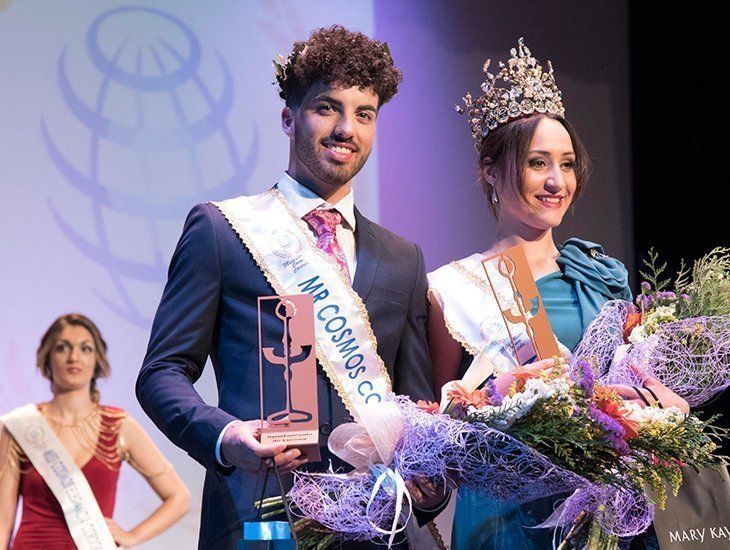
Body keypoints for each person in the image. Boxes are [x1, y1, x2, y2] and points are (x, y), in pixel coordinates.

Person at [136, 25, 445, 549]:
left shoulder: (402, 258)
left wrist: (430, 484)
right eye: (327, 107)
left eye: (364, 115)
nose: (347, 128)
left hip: (374, 528)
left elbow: (414, 403)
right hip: (259, 518)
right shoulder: (222, 231)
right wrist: (224, 435)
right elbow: (161, 373)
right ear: (288, 118)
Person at [427, 39, 687, 549]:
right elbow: (442, 431)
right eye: (537, 162)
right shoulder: (450, 288)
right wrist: (498, 397)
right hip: (504, 518)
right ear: (489, 170)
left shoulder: (600, 275)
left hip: (605, 508)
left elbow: (638, 382)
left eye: (566, 164)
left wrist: (659, 404)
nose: (556, 181)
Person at [0, 314, 190, 549]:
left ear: (97, 360)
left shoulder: (118, 426)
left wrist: (133, 536)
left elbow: (180, 498)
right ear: (47, 358)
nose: (74, 357)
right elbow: (2, 522)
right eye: (62, 347)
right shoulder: (21, 426)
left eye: (86, 348)